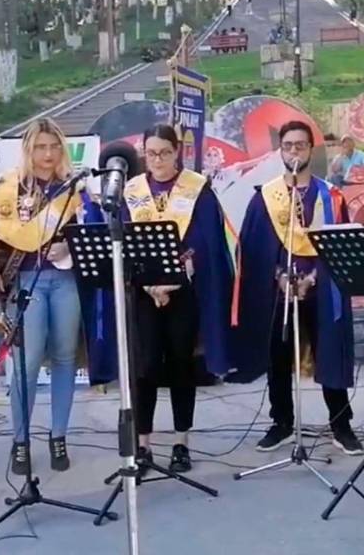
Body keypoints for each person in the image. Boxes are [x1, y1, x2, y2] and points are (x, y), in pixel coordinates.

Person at [233, 120, 364, 456]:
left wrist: (313, 277)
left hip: (321, 287)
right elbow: (254, 248)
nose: (294, 152)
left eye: (300, 145)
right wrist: (278, 275)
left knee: (329, 353)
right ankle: (281, 422)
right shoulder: (266, 197)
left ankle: (341, 424)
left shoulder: (330, 196)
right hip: (280, 290)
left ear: (310, 150)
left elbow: (341, 245)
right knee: (278, 357)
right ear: (280, 150)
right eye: (288, 146)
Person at [0, 118, 97, 475]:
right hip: (27, 279)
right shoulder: (9, 187)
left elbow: (91, 231)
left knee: (64, 357)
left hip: (66, 279)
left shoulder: (74, 187)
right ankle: (20, 440)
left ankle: (59, 435)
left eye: (54, 146)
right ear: (28, 150)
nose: (48, 153)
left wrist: (69, 248)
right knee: (26, 364)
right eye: (41, 147)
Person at [122, 125, 234, 475]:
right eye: (151, 153)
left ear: (177, 152)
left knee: (181, 365)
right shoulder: (132, 191)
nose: (158, 160)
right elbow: (123, 239)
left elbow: (206, 240)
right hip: (143, 293)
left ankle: (181, 442)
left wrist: (176, 277)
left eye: (165, 153)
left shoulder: (197, 188)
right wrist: (147, 284)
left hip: (183, 291)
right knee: (145, 368)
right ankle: (142, 445)